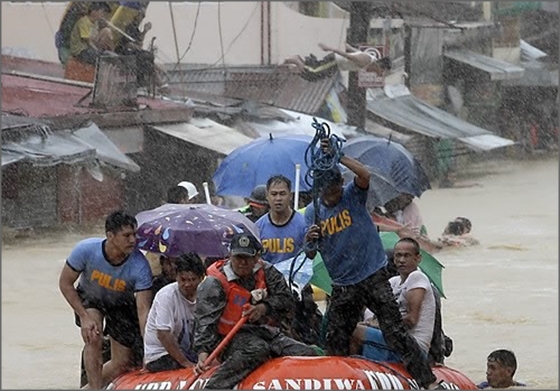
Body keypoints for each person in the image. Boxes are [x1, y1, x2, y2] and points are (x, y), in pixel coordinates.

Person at [304, 138, 444, 390]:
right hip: (343, 284)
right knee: (335, 337)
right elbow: (310, 254)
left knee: (395, 332)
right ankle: (337, 380)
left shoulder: (352, 195)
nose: (335, 197)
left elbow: (364, 174)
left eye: (337, 191)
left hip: (372, 275)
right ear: (321, 191)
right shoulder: (312, 213)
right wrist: (309, 240)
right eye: (330, 194)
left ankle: (428, 381)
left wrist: (340, 156)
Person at [193, 233, 318, 389]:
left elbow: (287, 300)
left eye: (247, 258)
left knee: (307, 353)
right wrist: (203, 352)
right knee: (257, 349)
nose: (242, 263)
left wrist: (264, 307)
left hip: (266, 332)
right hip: (229, 339)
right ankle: (214, 387)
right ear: (230, 255)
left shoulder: (267, 271)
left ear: (256, 257)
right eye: (238, 257)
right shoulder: (215, 282)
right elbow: (205, 320)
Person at [59, 211, 153, 389]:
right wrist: (84, 316)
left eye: (134, 234)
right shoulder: (85, 250)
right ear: (110, 236)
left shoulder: (140, 266)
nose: (133, 240)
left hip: (121, 304)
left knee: (122, 362)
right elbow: (65, 283)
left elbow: (143, 310)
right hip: (90, 299)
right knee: (93, 336)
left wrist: (150, 346)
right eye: (126, 236)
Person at [350, 238, 436, 363]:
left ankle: (355, 369)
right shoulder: (393, 282)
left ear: (418, 258)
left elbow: (411, 320)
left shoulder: (417, 277)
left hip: (413, 347)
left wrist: (377, 324)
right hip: (393, 340)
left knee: (355, 331)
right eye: (398, 256)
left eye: (407, 256)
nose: (401, 260)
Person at [144, 253, 205, 372]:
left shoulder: (205, 294)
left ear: (201, 278)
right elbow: (163, 334)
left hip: (188, 351)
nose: (187, 284)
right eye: (183, 279)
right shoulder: (166, 296)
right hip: (160, 355)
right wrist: (185, 363)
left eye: (192, 280)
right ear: (176, 276)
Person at [255, 175, 307, 265]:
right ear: (267, 196)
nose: (278, 199)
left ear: (290, 196)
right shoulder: (258, 228)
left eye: (282, 194)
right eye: (274, 194)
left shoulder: (303, 225)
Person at [282, 42, 392, 82]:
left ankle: (296, 64)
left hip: (337, 66)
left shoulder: (371, 59)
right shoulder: (366, 61)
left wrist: (349, 47)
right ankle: (296, 60)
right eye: (381, 71)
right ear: (380, 65)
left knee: (313, 78)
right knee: (314, 72)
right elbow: (347, 55)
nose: (379, 73)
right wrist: (330, 48)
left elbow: (357, 52)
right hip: (335, 61)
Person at [69, 2, 115, 66]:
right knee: (100, 59)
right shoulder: (84, 22)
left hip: (90, 47)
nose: (103, 15)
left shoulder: (95, 23)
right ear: (94, 11)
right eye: (102, 12)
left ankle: (111, 53)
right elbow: (87, 41)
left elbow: (95, 38)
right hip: (81, 50)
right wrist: (97, 51)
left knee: (107, 31)